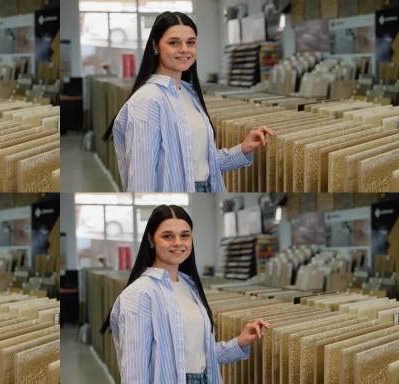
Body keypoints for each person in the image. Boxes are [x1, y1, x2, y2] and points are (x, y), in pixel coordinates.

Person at [104, 12, 275, 192]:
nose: (184, 49)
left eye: (190, 42)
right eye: (174, 42)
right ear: (155, 46)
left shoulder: (187, 92)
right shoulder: (148, 100)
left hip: (208, 187)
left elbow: (199, 163)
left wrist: (243, 148)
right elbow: (141, 179)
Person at [102, 205, 270, 383]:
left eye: (185, 235)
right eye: (167, 236)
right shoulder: (139, 294)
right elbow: (135, 373)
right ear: (151, 240)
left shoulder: (189, 286)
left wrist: (239, 342)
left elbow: (197, 355)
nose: (178, 243)